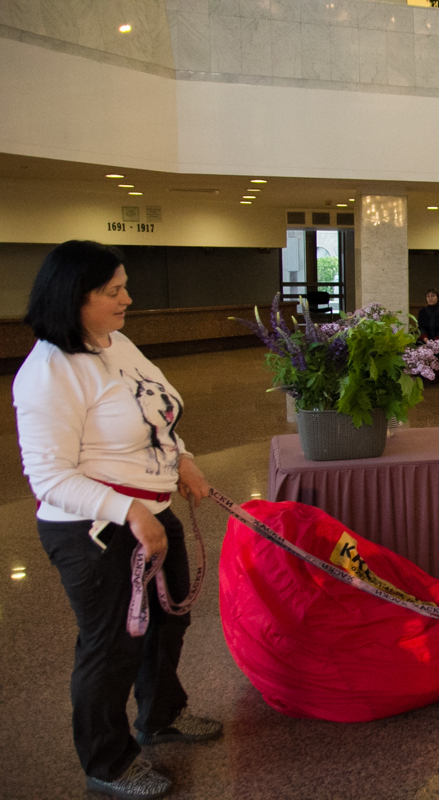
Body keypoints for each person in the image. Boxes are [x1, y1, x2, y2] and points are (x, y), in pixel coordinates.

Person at [14, 240, 222, 800]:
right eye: (114, 291)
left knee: (168, 622)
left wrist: (184, 457)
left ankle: (160, 715)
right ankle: (106, 761)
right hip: (93, 530)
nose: (128, 298)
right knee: (111, 646)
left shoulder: (118, 343)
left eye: (124, 285)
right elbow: (49, 478)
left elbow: (157, 416)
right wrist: (127, 510)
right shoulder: (49, 373)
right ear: (74, 297)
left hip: (150, 511)